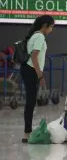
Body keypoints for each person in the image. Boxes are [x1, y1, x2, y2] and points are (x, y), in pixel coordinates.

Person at [20, 15, 55, 143]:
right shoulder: (39, 36)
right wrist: (40, 75)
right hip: (31, 70)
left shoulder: (34, 35)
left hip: (27, 69)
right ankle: (26, 133)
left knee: (31, 101)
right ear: (45, 25)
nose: (51, 30)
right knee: (30, 102)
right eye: (51, 27)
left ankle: (27, 131)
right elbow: (35, 57)